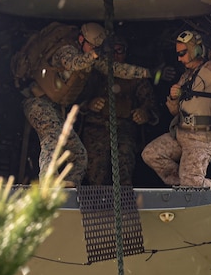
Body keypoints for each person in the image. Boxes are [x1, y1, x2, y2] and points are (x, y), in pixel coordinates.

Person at [18, 22, 152, 186]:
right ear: (81, 39)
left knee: (79, 154)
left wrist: (145, 72)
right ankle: (48, 181)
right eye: (92, 46)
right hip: (37, 102)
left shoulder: (89, 56)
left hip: (54, 107)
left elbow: (114, 68)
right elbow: (75, 63)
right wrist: (96, 54)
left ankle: (69, 188)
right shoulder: (66, 50)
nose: (94, 50)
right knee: (52, 138)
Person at [141, 29, 211, 201]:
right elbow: (174, 111)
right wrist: (173, 97)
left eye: (183, 53)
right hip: (181, 134)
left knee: (192, 182)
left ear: (196, 50)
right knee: (150, 154)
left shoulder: (210, 70)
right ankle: (186, 184)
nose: (179, 58)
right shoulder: (186, 76)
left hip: (200, 138)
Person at [79, 38, 158, 186]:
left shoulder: (136, 77)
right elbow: (76, 101)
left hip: (124, 129)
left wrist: (144, 114)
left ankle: (123, 204)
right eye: (110, 51)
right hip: (95, 129)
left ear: (126, 53)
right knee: (96, 172)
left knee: (124, 167)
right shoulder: (93, 73)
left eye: (119, 51)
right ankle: (97, 205)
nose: (115, 55)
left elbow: (151, 106)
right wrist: (89, 104)